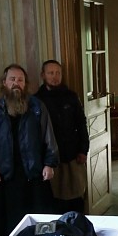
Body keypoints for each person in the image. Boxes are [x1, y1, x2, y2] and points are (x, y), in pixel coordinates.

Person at [0, 64, 59, 236]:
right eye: (12, 79)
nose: (16, 83)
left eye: (20, 80)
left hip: (35, 172)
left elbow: (49, 137)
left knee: (40, 221)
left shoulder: (37, 107)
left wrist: (49, 163)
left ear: (25, 84)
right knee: (11, 222)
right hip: (8, 174)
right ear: (4, 82)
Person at [35, 60, 90, 214]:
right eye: (51, 73)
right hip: (50, 158)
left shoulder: (71, 97)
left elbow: (81, 124)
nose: (55, 76)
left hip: (73, 155)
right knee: (55, 200)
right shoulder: (37, 100)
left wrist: (83, 150)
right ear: (43, 75)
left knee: (77, 196)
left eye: (58, 73)